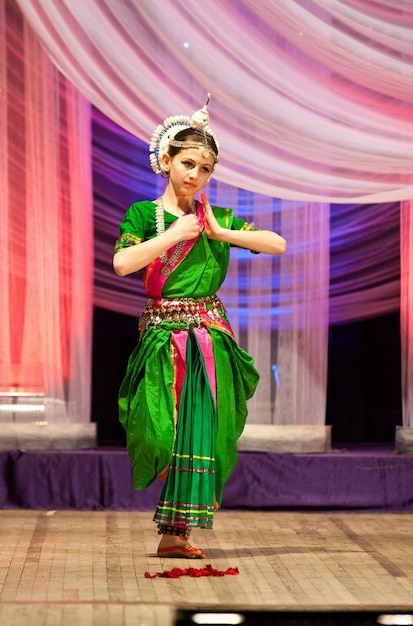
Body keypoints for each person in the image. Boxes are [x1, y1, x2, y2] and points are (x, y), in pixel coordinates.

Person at [113, 94, 286, 559]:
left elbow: (277, 244)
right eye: (187, 163)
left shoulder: (218, 219)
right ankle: (178, 514)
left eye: (205, 169)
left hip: (210, 339)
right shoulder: (143, 216)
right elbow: (124, 264)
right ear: (165, 161)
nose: (195, 175)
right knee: (157, 431)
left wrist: (218, 233)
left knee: (200, 432)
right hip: (162, 338)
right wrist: (172, 234)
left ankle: (176, 534)